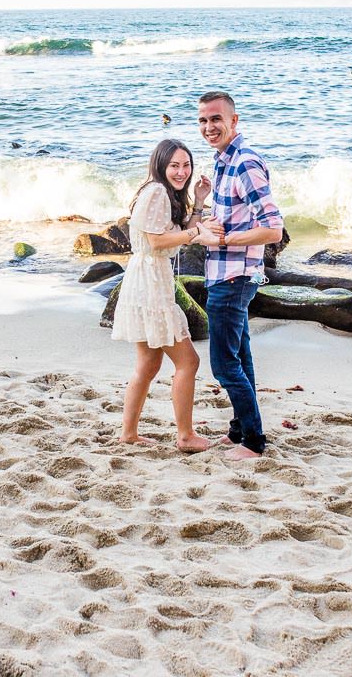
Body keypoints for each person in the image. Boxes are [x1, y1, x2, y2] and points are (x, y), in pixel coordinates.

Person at [190, 91, 284, 461]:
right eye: (203, 120)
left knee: (224, 365)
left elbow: (273, 229)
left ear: (234, 120)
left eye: (216, 119)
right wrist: (201, 204)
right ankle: (239, 431)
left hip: (235, 276)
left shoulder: (244, 163)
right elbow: (226, 220)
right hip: (226, 274)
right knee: (240, 358)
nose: (209, 127)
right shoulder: (222, 163)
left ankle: (254, 442)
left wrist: (224, 239)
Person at [111, 138, 214, 454]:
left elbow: (178, 237)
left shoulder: (162, 192)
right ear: (160, 165)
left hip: (146, 278)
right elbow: (157, 241)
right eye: (174, 165)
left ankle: (128, 434)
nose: (182, 172)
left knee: (148, 364)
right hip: (151, 282)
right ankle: (185, 435)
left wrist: (199, 202)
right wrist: (198, 232)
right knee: (188, 361)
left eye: (186, 165)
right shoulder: (156, 191)